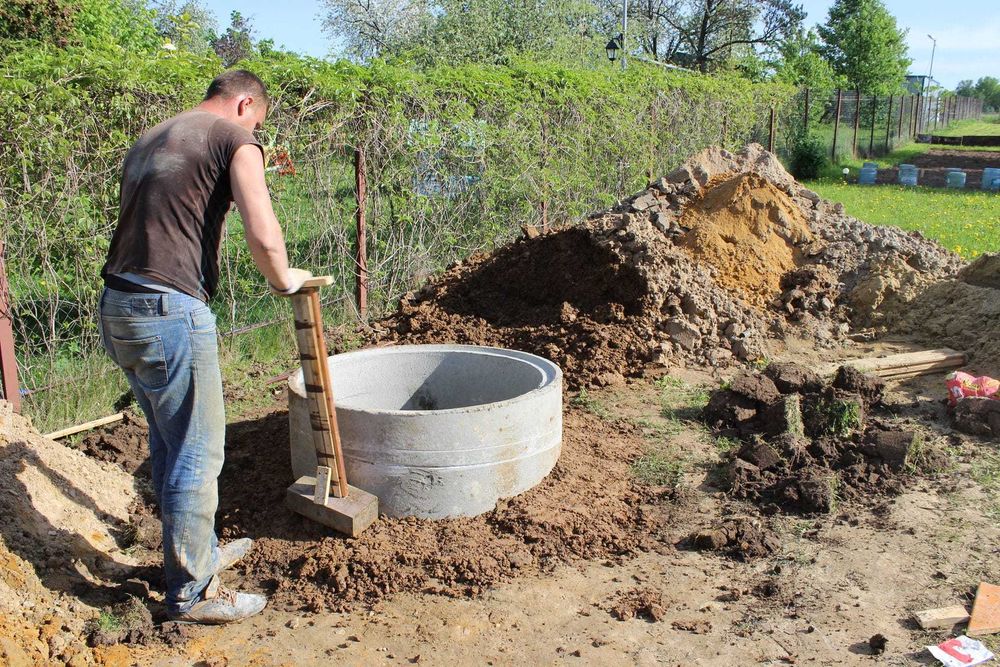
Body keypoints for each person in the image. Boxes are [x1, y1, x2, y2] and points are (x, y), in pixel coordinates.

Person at [98, 70, 310, 624]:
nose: (257, 132)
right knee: (198, 452)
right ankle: (191, 593)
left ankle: (198, 553)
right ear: (244, 104)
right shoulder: (233, 138)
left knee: (172, 445)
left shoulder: (155, 134)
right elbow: (263, 232)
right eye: (258, 122)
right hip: (168, 311)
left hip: (120, 306)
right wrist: (283, 277)